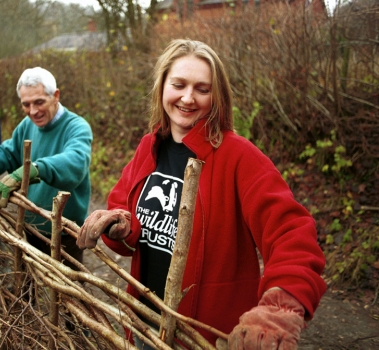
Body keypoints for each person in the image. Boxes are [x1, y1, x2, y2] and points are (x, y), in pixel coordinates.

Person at [76, 39, 326, 349]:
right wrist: (117, 224)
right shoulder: (148, 147)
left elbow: (291, 232)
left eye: (202, 89)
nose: (188, 98)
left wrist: (280, 305)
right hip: (144, 323)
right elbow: (122, 212)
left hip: (205, 336)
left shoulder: (238, 157)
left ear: (217, 96)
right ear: (162, 86)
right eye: (178, 84)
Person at [0, 66, 92, 269]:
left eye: (39, 102)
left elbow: (74, 162)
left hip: (65, 233)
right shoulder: (27, 125)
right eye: (26, 104)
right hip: (31, 226)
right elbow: (9, 151)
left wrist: (35, 169)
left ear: (55, 95)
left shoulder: (76, 127)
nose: (33, 111)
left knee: (66, 292)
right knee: (28, 287)